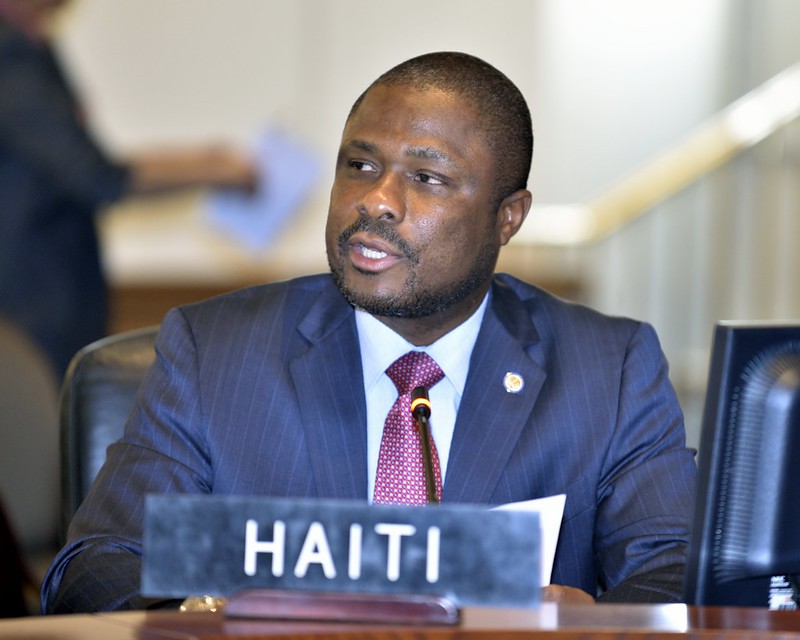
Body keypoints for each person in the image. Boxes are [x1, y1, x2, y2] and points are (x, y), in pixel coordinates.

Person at [41, 51, 697, 612]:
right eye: (359, 165)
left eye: (427, 177)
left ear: (508, 218)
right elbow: (96, 566)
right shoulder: (213, 352)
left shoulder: (608, 369)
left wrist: (591, 623)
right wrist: (209, 618)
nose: (375, 200)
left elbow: (676, 570)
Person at [0, 0, 257, 378]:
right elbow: (96, 176)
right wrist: (211, 167)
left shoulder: (34, 47)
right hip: (28, 303)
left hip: (55, 295)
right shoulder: (11, 57)